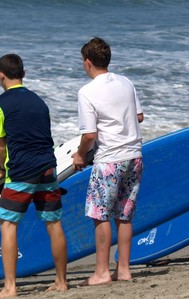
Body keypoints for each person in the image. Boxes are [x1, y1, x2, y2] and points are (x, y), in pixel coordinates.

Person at [0, 54, 68, 298]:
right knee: (53, 223)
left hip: (21, 171)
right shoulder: (39, 101)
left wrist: (2, 168)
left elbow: (2, 145)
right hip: (48, 167)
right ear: (23, 73)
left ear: (1, 75)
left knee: (8, 224)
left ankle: (10, 287)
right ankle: (62, 282)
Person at [72, 37, 144, 285]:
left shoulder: (87, 91)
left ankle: (102, 272)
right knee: (124, 215)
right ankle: (123, 270)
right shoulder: (126, 82)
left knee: (100, 215)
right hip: (134, 155)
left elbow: (90, 135)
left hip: (109, 160)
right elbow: (140, 116)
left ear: (88, 62)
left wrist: (80, 154)